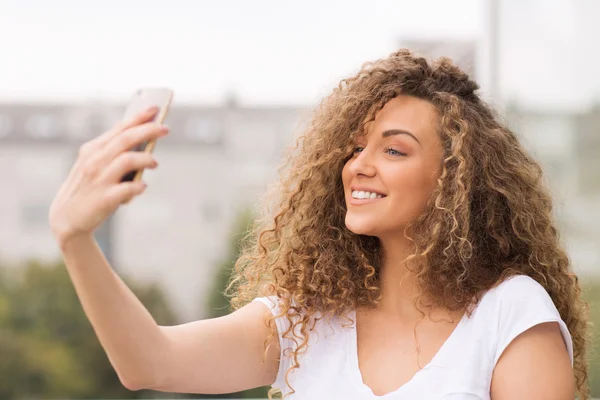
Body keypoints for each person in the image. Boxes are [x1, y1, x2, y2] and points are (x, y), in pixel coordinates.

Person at [49, 49, 589, 400]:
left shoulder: (510, 314)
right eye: (354, 148)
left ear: (455, 178)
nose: (359, 165)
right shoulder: (306, 321)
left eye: (394, 150)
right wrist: (76, 240)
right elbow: (150, 362)